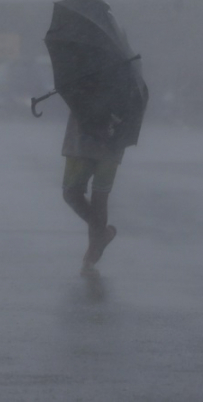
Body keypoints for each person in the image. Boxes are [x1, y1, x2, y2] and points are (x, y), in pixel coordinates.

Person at [61, 90, 129, 276]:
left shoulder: (84, 70)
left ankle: (94, 248)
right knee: (77, 193)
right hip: (103, 140)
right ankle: (100, 237)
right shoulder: (124, 76)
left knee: (93, 194)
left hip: (97, 140)